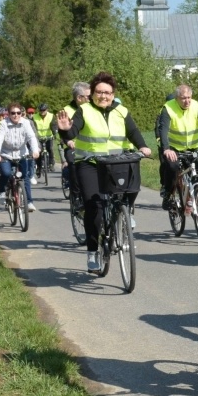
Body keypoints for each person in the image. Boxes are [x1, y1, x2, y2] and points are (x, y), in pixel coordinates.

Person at [56, 71, 151, 272]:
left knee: (133, 184)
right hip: (89, 164)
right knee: (94, 207)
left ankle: (123, 213)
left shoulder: (121, 111)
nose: (103, 96)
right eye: (99, 92)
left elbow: (132, 131)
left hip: (114, 164)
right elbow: (74, 130)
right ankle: (92, 251)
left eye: (107, 92)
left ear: (113, 93)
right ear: (92, 94)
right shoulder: (84, 111)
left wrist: (142, 146)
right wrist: (65, 129)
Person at [157, 84, 198, 210]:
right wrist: (166, 149)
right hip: (174, 148)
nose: (187, 101)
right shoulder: (168, 108)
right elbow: (163, 130)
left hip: (192, 148)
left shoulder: (196, 106)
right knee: (172, 168)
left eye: (189, 97)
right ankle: (168, 195)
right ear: (176, 98)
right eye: (183, 98)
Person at [0, 102, 40, 212]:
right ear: (8, 114)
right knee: (6, 173)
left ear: (21, 114)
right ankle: (1, 191)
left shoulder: (26, 123)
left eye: (18, 113)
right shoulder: (3, 124)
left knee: (25, 177)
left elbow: (31, 137)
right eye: (13, 113)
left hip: (21, 154)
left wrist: (35, 151)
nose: (16, 115)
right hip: (6, 155)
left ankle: (29, 202)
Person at [60, 82, 90, 195]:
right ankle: (76, 196)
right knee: (74, 168)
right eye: (88, 97)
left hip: (91, 147)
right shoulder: (66, 111)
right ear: (79, 98)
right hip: (74, 147)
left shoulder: (93, 108)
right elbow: (62, 132)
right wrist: (68, 141)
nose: (91, 99)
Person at [32, 103, 57, 182]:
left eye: (44, 110)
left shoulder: (51, 116)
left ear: (47, 110)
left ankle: (51, 164)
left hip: (48, 136)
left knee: (50, 149)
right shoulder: (34, 117)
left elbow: (54, 126)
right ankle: (39, 168)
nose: (42, 112)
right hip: (38, 137)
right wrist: (34, 137)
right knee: (38, 153)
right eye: (41, 110)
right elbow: (34, 128)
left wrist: (55, 134)